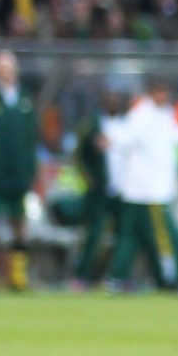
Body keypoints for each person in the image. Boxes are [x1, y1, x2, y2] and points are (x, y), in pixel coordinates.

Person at [105, 79, 178, 290]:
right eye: (160, 92)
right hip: (150, 191)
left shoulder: (162, 115)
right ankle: (171, 277)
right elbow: (122, 137)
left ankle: (120, 277)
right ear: (152, 93)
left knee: (131, 237)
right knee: (162, 236)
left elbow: (177, 135)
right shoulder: (143, 116)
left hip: (140, 191)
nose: (163, 97)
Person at [0, 50, 39, 291]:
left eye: (10, 68)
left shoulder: (25, 100)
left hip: (19, 174)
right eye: (2, 68)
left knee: (19, 223)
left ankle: (18, 274)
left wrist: (31, 169)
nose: (6, 73)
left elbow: (31, 138)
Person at [69, 89, 127, 288]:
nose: (113, 102)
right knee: (94, 234)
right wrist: (89, 179)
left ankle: (114, 277)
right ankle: (83, 276)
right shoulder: (91, 125)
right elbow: (77, 156)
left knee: (124, 236)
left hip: (124, 190)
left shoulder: (127, 125)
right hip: (99, 190)